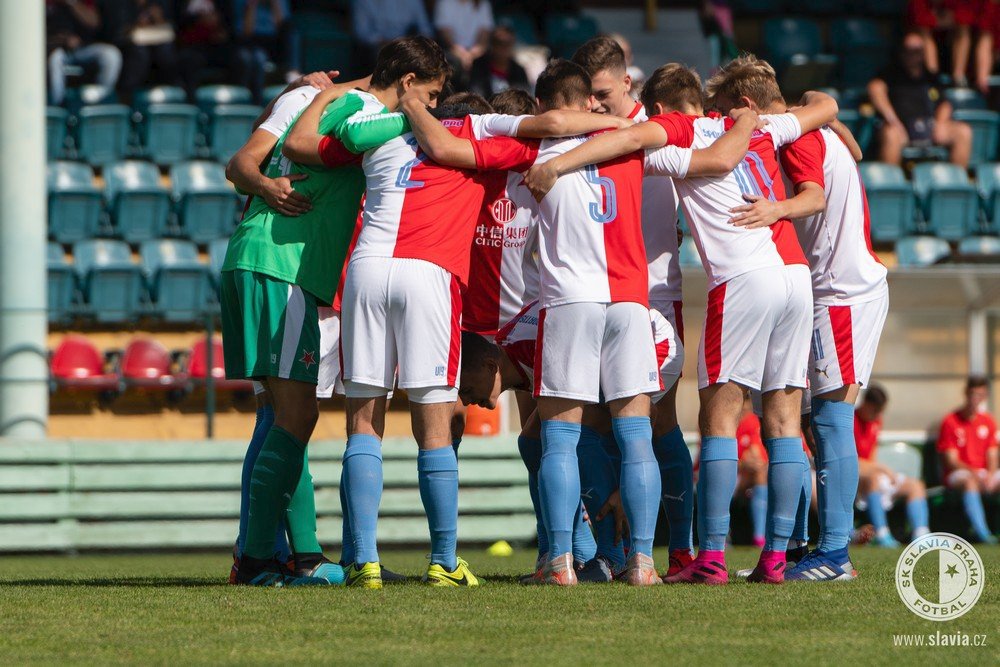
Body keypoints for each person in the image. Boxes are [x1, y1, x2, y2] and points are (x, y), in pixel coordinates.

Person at [526, 66, 839, 585]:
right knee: (783, 420)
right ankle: (776, 559)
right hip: (794, 276)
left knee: (719, 419)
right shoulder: (763, 125)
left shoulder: (678, 133)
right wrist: (760, 121)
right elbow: (824, 104)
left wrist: (558, 165)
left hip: (742, 278)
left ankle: (710, 557)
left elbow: (630, 139)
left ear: (665, 109)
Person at [706, 54, 890, 581]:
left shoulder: (792, 136)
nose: (720, 122)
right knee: (811, 422)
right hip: (829, 291)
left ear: (746, 107)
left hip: (842, 293)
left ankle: (836, 554)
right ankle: (812, 546)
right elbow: (841, 134)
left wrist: (775, 210)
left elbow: (814, 196)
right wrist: (828, 115)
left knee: (832, 421)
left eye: (723, 111)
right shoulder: (809, 122)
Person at [571, 36, 694, 578]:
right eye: (588, 96)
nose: (595, 104)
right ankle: (613, 553)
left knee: (655, 421)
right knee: (595, 422)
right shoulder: (584, 131)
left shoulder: (659, 134)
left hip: (657, 295)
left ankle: (682, 550)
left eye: (602, 93)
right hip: (601, 294)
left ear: (627, 82)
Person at [868, 30, 973, 167]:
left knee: (963, 131)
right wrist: (894, 121)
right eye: (908, 50)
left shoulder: (931, 78)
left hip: (929, 127)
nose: (913, 54)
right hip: (901, 128)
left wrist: (940, 122)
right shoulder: (891, 74)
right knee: (891, 134)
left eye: (917, 50)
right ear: (901, 52)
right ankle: (891, 184)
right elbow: (874, 88)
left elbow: (945, 104)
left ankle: (955, 183)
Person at [854, 384, 931, 547]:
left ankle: (921, 534)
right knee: (874, 478)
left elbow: (872, 456)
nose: (878, 414)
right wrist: (883, 469)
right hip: (855, 481)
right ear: (866, 404)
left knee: (916, 485)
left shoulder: (876, 421)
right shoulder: (850, 421)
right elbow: (852, 461)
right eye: (875, 410)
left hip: (873, 473)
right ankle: (882, 534)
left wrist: (881, 470)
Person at [937, 376, 1000, 544]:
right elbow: (951, 461)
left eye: (980, 395)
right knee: (969, 482)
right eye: (973, 393)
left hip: (983, 473)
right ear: (966, 393)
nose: (975, 399)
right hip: (958, 474)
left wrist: (990, 474)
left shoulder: (988, 421)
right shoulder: (950, 421)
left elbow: (992, 453)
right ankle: (983, 533)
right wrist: (976, 473)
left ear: (985, 396)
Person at [46, 0, 122, 105]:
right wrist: (63, 39)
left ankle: (100, 100)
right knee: (55, 57)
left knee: (110, 54)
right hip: (55, 49)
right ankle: (58, 104)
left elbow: (94, 22)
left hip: (82, 49)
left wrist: (72, 3)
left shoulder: (81, 3)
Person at [111, 0, 182, 102]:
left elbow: (172, 28)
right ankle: (127, 100)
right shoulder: (121, 4)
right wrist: (135, 25)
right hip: (127, 47)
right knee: (139, 54)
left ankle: (175, 98)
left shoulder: (159, 4)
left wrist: (159, 19)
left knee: (166, 52)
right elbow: (116, 32)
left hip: (156, 47)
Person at [233, 0, 298, 103]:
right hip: (249, 42)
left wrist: (274, 3)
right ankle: (251, 103)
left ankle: (293, 70)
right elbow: (246, 32)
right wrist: (252, 5)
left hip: (274, 43)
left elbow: (282, 27)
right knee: (257, 58)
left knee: (292, 34)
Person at [352, 0, 434, 72]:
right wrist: (386, 42)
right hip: (377, 48)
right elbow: (362, 33)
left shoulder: (413, 1)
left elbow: (426, 30)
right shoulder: (364, 1)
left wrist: (413, 44)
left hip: (409, 45)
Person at [736, 398, 769, 548]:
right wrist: (742, 463)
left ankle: (760, 537)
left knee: (760, 472)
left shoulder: (752, 421)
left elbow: (757, 456)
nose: (745, 408)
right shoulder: (723, 419)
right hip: (730, 477)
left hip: (749, 476)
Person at [468, 26, 530, 99]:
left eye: (508, 44)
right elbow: (476, 96)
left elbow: (523, 99)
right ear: (492, 45)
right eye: (499, 43)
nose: (503, 48)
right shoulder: (479, 66)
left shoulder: (519, 71)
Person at [434, 0, 494, 75]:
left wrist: (472, 54)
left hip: (476, 53)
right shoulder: (444, 2)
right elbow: (445, 33)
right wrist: (461, 53)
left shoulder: (483, 3)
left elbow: (485, 34)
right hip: (451, 52)